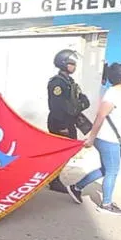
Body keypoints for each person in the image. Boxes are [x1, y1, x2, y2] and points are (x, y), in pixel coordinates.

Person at [66, 63, 121, 216]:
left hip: (115, 138)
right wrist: (91, 137)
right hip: (107, 138)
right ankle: (106, 204)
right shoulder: (112, 95)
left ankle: (76, 187)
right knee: (112, 170)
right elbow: (100, 116)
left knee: (106, 169)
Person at [46, 49, 90, 193]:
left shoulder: (69, 81)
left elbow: (82, 99)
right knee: (60, 153)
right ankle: (53, 180)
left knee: (67, 152)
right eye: (71, 63)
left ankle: (53, 177)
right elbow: (56, 107)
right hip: (60, 122)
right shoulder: (57, 83)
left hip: (69, 121)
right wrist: (62, 126)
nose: (74, 66)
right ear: (63, 64)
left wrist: (81, 104)